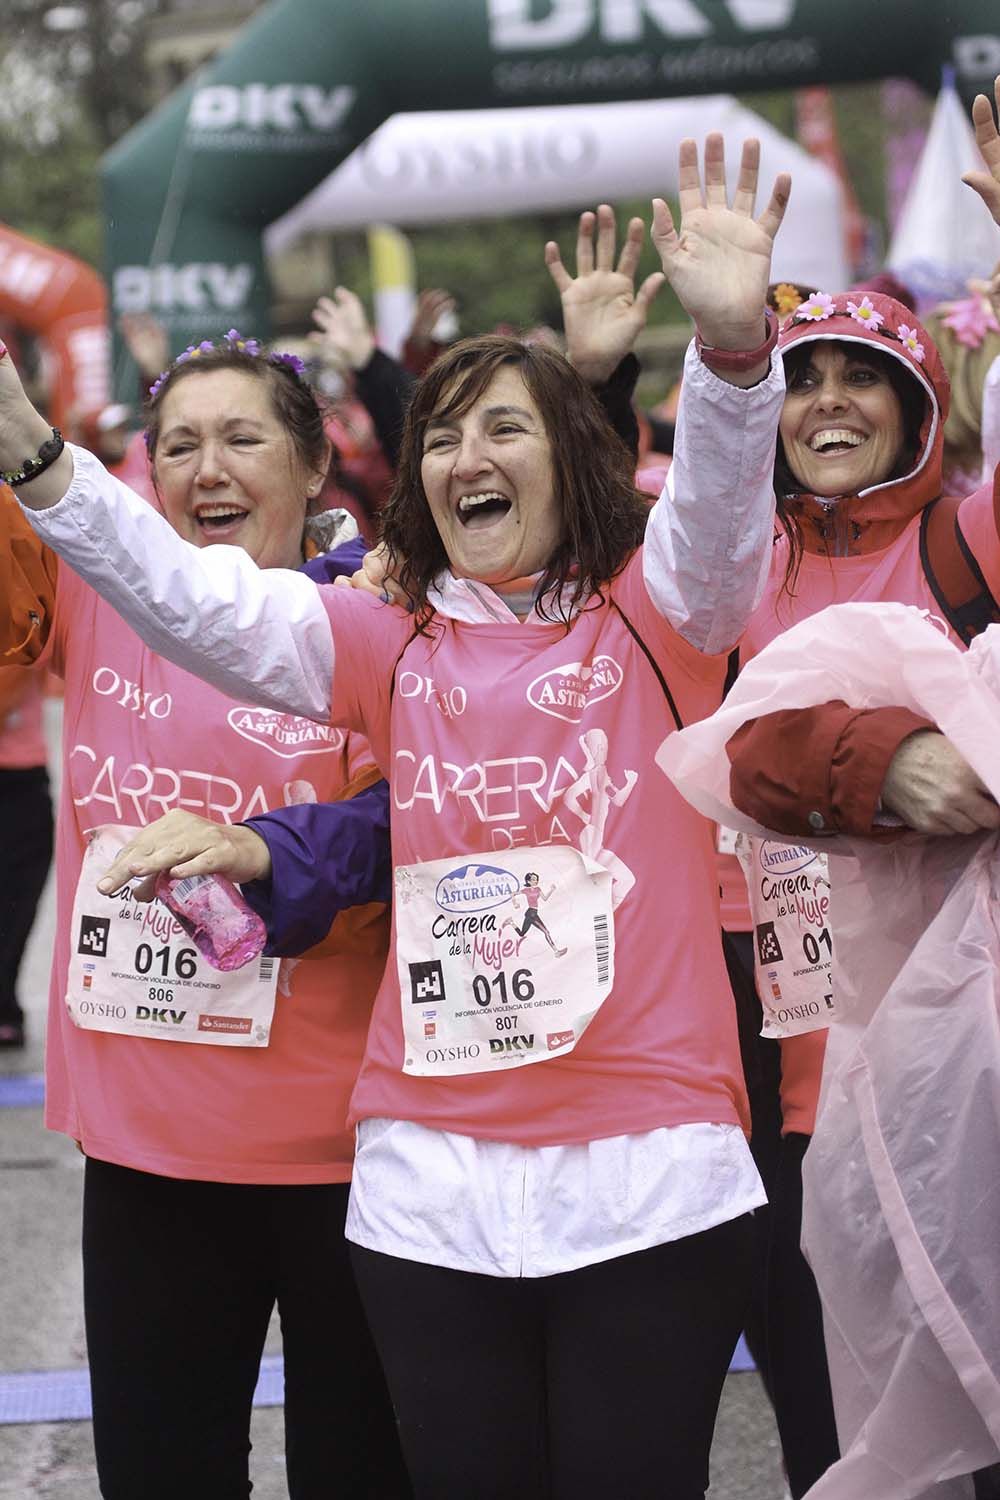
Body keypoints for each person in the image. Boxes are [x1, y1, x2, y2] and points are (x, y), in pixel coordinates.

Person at [5, 136, 791, 1499]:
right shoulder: (388, 638)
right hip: (430, 1188)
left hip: (646, 1170)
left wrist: (730, 362)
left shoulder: (661, 617)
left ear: (573, 461)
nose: (465, 458)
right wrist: (34, 456)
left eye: (504, 430)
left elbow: (718, 529)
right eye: (441, 434)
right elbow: (192, 599)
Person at [662, 79, 1000, 1500]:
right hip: (743, 1005)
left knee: (961, 1327)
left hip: (939, 993)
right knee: (826, 1365)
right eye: (804, 379)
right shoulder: (729, 560)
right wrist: (722, 351)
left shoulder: (960, 543)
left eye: (867, 376)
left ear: (923, 405)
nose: (831, 402)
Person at [0, 332, 409, 1500]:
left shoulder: (380, 614)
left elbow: (418, 822)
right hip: (149, 1143)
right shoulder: (97, 586)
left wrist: (272, 857)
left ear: (313, 467)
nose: (206, 468)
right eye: (178, 444)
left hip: (351, 1143)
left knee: (361, 1475)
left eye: (241, 439)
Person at [0, 667, 53, 1048]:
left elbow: (13, 677)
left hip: (17, 776)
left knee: (14, 905)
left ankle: (3, 1002)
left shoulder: (23, 610)